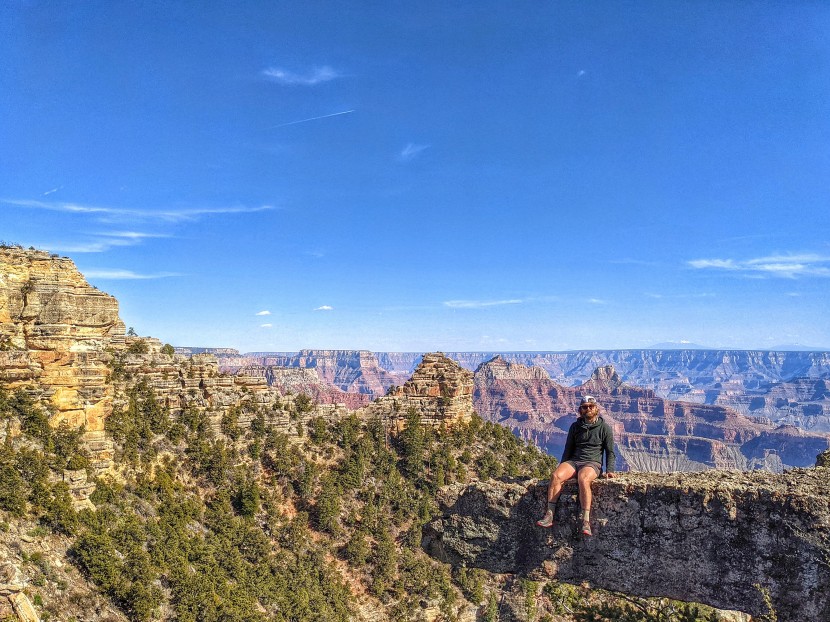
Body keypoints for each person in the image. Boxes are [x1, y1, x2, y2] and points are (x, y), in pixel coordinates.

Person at [536, 395, 616, 536]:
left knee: (583, 479)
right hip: (574, 461)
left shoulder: (605, 428)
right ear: (580, 410)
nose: (588, 409)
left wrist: (610, 470)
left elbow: (610, 451)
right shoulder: (575, 427)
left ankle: (585, 521)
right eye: (585, 407)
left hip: (592, 463)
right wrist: (562, 465)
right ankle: (549, 515)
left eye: (591, 406)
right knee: (556, 476)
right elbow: (568, 449)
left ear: (596, 408)